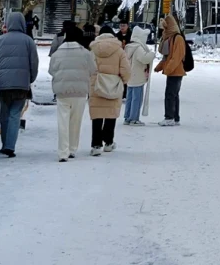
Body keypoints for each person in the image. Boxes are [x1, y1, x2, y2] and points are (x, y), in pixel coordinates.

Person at [0, 11, 39, 158]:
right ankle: (10, 146)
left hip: (4, 85)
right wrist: (30, 79)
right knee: (15, 114)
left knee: (4, 113)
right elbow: (34, 63)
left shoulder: (0, 40)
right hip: (21, 84)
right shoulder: (28, 41)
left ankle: (4, 145)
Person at [49, 20, 97, 161]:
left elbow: (52, 70)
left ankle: (62, 152)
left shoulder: (57, 54)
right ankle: (72, 148)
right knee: (75, 121)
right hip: (80, 92)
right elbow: (93, 70)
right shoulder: (85, 53)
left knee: (62, 121)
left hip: (62, 91)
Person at [89, 24, 131, 154]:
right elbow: (126, 70)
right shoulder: (119, 51)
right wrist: (122, 81)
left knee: (96, 115)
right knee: (110, 114)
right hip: (114, 85)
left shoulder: (93, 50)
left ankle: (96, 145)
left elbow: (88, 68)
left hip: (97, 86)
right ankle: (108, 142)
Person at [155, 13, 187, 125]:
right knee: (173, 95)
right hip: (173, 71)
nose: (163, 31)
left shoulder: (177, 38)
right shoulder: (170, 38)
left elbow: (176, 56)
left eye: (165, 28)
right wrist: (159, 67)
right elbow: (166, 56)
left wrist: (168, 69)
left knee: (170, 94)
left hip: (176, 71)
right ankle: (175, 117)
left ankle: (169, 117)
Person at [123, 25, 154, 124]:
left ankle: (127, 117)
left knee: (130, 98)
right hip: (138, 77)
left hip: (130, 77)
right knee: (137, 99)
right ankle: (134, 118)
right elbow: (144, 58)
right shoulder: (138, 48)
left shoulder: (129, 47)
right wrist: (151, 55)